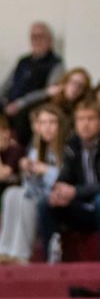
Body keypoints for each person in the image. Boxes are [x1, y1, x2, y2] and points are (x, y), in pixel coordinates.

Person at [0, 104, 67, 265]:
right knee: (12, 193)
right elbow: (29, 185)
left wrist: (44, 170)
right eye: (43, 123)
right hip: (40, 193)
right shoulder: (36, 150)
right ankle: (4, 251)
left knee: (24, 196)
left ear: (60, 125)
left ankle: (21, 255)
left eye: (52, 122)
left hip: (58, 197)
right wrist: (28, 170)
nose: (47, 127)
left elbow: (67, 178)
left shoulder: (68, 148)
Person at [0, 22, 64, 154]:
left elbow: (50, 90)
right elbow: (6, 84)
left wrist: (20, 103)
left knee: (23, 116)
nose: (36, 40)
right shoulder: (23, 61)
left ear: (49, 39)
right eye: (33, 37)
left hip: (29, 105)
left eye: (40, 36)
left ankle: (17, 156)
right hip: (9, 103)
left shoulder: (56, 64)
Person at [37, 99, 100, 260]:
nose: (85, 124)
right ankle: (51, 257)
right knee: (46, 203)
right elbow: (64, 176)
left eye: (90, 119)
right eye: (81, 119)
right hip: (81, 206)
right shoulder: (71, 146)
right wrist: (58, 192)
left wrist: (75, 191)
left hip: (96, 203)